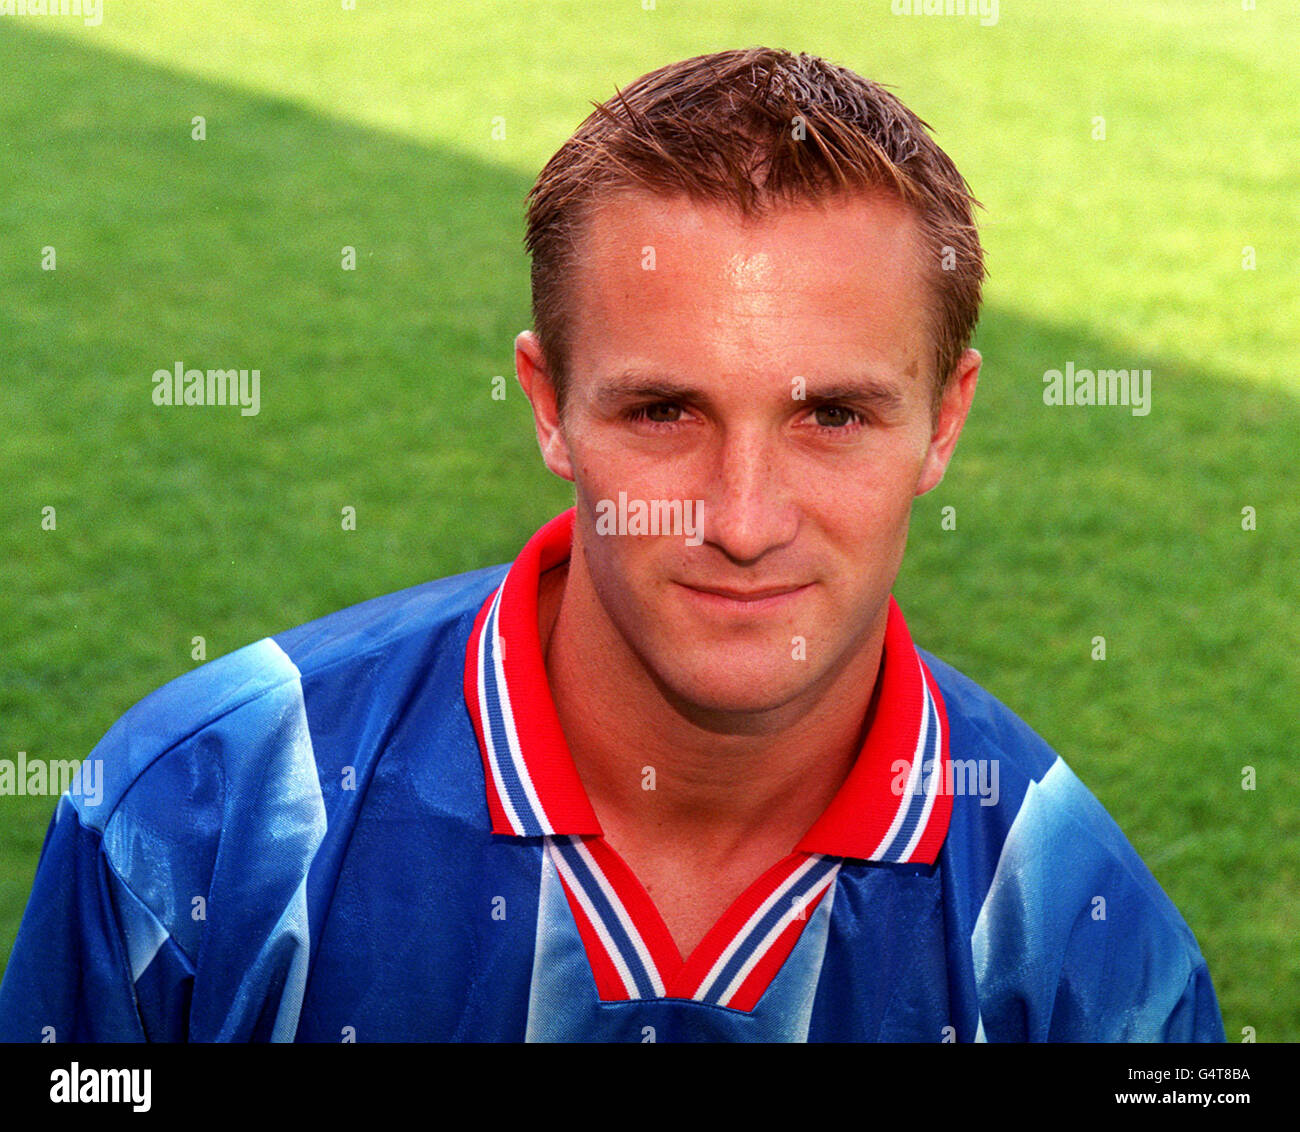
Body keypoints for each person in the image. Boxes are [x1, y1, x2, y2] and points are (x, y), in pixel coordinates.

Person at [0, 47, 1223, 1042]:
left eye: (832, 415)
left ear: (944, 421)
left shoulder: (1084, 937)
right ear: (549, 406)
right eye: (662, 411)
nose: (742, 522)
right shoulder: (197, 820)